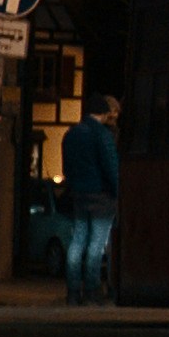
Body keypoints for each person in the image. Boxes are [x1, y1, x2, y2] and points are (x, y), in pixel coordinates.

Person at [55, 91, 121, 304]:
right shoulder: (102, 135)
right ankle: (92, 289)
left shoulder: (72, 133)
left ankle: (73, 291)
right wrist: (118, 191)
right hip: (101, 195)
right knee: (96, 244)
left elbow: (66, 166)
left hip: (79, 194)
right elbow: (111, 167)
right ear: (102, 113)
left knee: (77, 242)